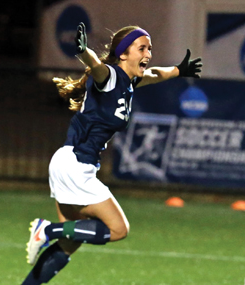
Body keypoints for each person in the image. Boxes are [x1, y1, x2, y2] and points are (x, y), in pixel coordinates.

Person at [22, 22, 202, 284]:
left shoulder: (130, 82)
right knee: (118, 230)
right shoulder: (110, 76)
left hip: (68, 161)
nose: (148, 54)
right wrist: (83, 51)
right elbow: (96, 65)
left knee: (69, 243)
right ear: (123, 53)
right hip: (76, 165)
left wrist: (178, 70)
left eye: (150, 48)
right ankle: (46, 229)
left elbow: (154, 74)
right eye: (142, 48)